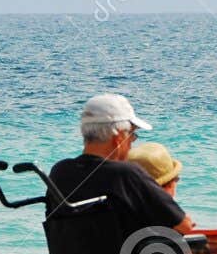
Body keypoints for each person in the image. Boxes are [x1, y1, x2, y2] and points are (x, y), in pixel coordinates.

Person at [46, 93, 192, 237]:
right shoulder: (126, 173)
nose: (131, 145)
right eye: (132, 136)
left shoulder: (59, 171)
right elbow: (185, 226)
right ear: (119, 138)